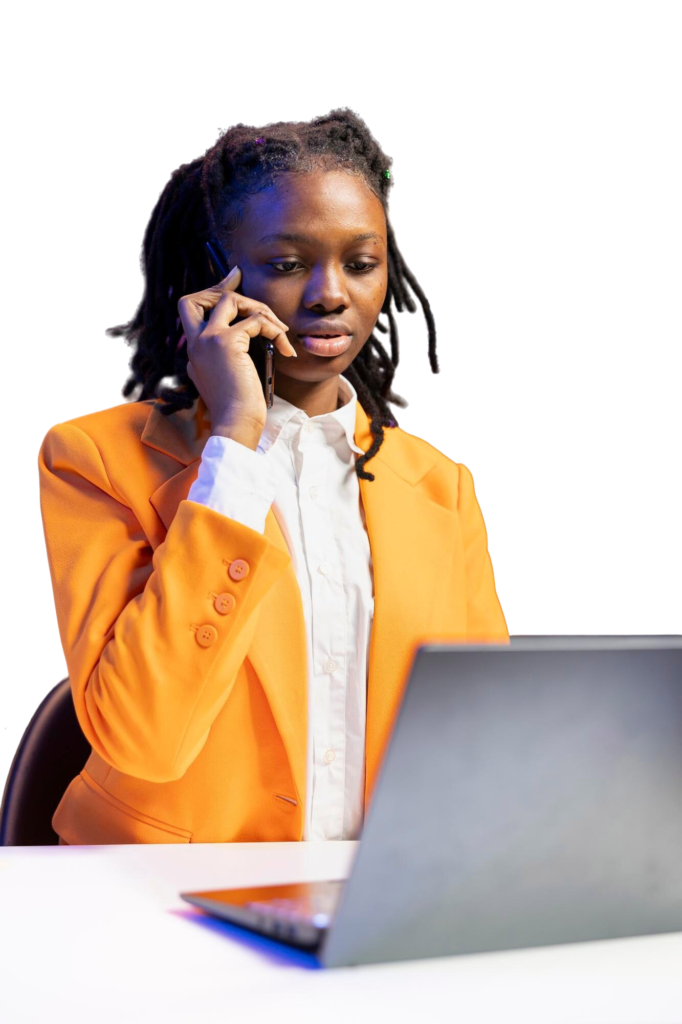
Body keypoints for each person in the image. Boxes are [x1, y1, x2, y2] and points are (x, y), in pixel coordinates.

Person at [40, 107, 509, 847]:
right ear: (215, 273)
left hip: (374, 891)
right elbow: (142, 739)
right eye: (288, 264)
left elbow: (487, 743)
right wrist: (234, 440)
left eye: (361, 263)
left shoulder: (440, 486)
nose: (330, 294)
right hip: (164, 888)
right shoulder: (94, 457)